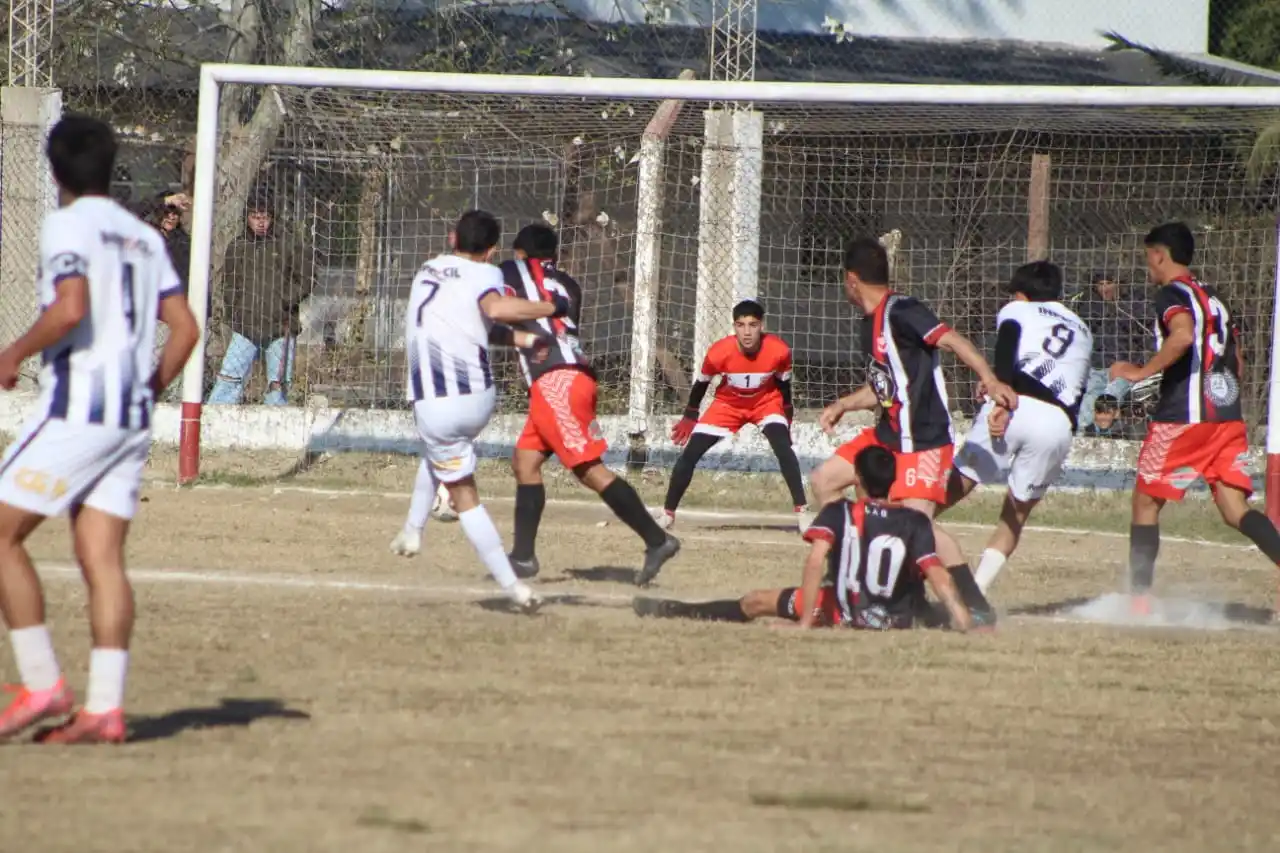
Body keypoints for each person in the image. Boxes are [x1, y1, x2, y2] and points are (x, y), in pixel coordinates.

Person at [0, 115, 200, 743]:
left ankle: (42, 685)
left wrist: (13, 353)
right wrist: (147, 392)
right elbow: (186, 328)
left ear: (54, 168)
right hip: (130, 417)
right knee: (101, 557)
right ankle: (104, 710)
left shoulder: (66, 224)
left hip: (80, 407)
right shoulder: (142, 235)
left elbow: (69, 308)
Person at [808, 237, 1016, 620]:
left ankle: (975, 605)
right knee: (824, 480)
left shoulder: (902, 310)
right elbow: (886, 388)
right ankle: (849, 576)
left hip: (922, 442)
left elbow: (951, 339)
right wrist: (843, 404)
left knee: (918, 526)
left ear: (851, 280)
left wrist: (989, 378)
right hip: (886, 437)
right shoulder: (868, 323)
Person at [390, 210, 578, 612]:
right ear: (492, 250)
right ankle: (411, 531)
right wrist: (528, 336)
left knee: (464, 495)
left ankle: (514, 588)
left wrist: (548, 308)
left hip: (437, 401)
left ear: (451, 237)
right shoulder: (487, 273)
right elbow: (483, 322)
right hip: (477, 398)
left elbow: (493, 309)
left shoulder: (427, 269)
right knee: (438, 450)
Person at [489, 224, 680, 586]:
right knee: (525, 462)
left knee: (589, 470)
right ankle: (523, 557)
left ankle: (657, 540)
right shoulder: (569, 284)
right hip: (570, 377)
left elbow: (499, 306)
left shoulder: (512, 270)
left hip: (556, 381)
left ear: (520, 253)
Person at [1110, 222, 1280, 612]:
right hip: (1227, 417)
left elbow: (1183, 335)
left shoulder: (1171, 294)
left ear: (1159, 255)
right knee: (1235, 510)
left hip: (1184, 418)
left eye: (1147, 258)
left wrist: (1141, 372)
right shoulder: (1215, 296)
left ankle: (1138, 603)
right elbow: (1236, 358)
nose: (1148, 267)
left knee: (1146, 503)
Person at [633, 445, 973, 631]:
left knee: (755, 601)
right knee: (925, 607)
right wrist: (964, 621)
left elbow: (814, 562)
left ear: (857, 478)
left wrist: (806, 622)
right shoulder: (915, 521)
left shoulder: (840, 512)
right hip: (896, 619)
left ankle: (673, 609)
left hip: (843, 613)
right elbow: (938, 575)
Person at [940, 261, 1092, 596]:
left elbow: (1006, 348)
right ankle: (976, 594)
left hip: (1016, 403)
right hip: (1058, 422)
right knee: (1015, 514)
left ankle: (908, 536)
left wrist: (1000, 397)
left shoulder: (1017, 310)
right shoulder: (1082, 328)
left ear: (1021, 293)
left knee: (955, 485)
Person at [658, 299, 810, 532]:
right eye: (741, 325)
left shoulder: (779, 350)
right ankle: (667, 514)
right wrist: (690, 415)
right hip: (727, 406)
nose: (747, 332)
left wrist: (787, 418)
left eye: (753, 325)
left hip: (765, 403)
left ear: (762, 326)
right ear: (734, 327)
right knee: (690, 454)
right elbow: (701, 384)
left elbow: (783, 386)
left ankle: (802, 512)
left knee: (783, 449)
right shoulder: (719, 352)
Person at [207, 193, 314, 406]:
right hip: (246, 325)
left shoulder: (288, 244)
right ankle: (216, 415)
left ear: (272, 218)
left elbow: (306, 278)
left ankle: (275, 417)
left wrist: (284, 300)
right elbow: (229, 283)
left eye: (265, 217)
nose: (261, 222)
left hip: (281, 325)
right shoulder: (238, 246)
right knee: (230, 375)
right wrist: (235, 310)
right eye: (255, 217)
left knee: (278, 382)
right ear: (247, 218)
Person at [1069, 270, 1150, 431]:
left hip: (1125, 369)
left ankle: (1101, 434)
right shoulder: (1088, 306)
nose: (1105, 288)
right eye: (1101, 284)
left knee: (1106, 405)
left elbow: (1147, 338)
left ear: (1118, 284)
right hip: (1097, 367)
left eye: (1109, 283)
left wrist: (1138, 365)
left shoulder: (1135, 306)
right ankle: (1084, 439)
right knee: (1086, 412)